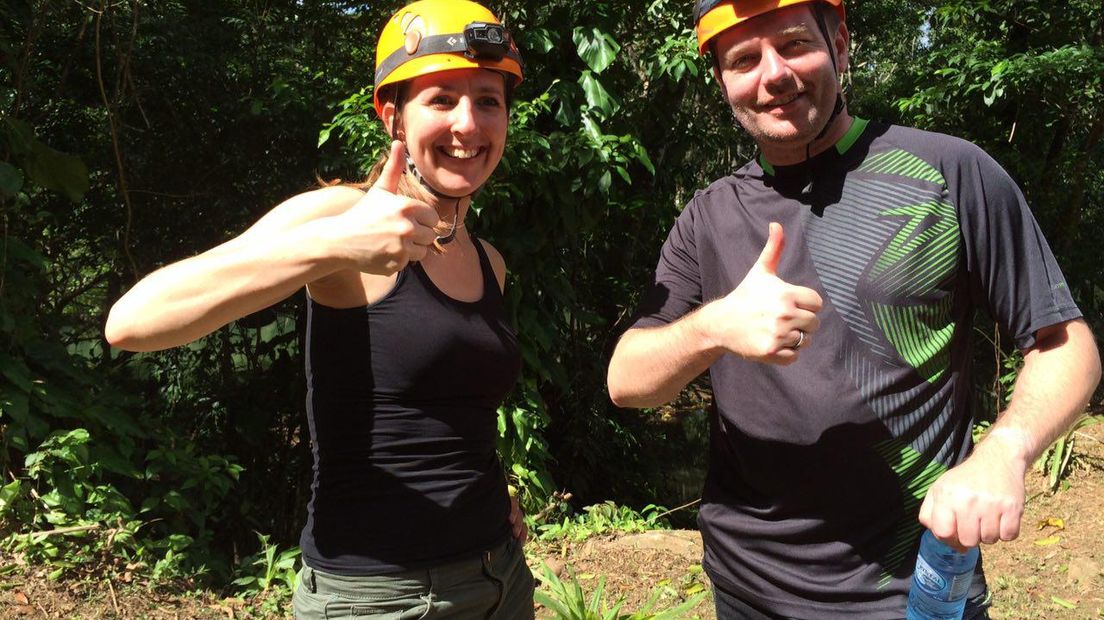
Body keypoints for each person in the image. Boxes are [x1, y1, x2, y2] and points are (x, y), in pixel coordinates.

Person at [606, 0, 1101, 618]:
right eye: (743, 60)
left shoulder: (951, 173)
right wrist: (714, 326)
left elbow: (1064, 344)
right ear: (722, 81)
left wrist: (1004, 452)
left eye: (792, 44)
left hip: (913, 590)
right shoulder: (708, 216)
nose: (773, 74)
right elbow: (626, 381)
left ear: (838, 42)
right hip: (745, 590)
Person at [105, 1, 535, 617]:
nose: (469, 124)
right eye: (441, 99)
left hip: (499, 578)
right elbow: (132, 321)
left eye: (489, 100)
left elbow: (448, 413)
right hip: (380, 596)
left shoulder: (488, 259)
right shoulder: (336, 217)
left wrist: (492, 493)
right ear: (393, 115)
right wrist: (336, 245)